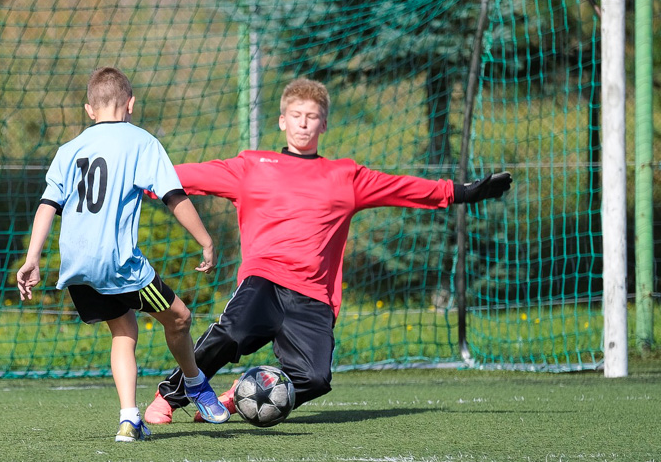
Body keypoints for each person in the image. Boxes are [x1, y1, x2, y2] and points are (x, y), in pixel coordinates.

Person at [144, 78, 511, 425]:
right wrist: (142, 183)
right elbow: (186, 176)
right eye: (297, 117)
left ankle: (241, 395)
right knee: (233, 333)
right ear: (282, 121)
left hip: (314, 295)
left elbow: (403, 188)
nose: (304, 125)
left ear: (324, 124)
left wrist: (461, 193)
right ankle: (168, 397)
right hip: (265, 280)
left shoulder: (345, 176)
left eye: (312, 117)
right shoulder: (252, 167)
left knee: (316, 378)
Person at [16, 66, 230, 441]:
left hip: (76, 267)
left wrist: (32, 258)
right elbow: (173, 196)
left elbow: (48, 204)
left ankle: (129, 418)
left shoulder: (69, 149)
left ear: (89, 109)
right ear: (130, 104)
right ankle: (195, 384)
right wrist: (206, 240)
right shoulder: (141, 142)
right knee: (179, 318)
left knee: (124, 329)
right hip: (117, 265)